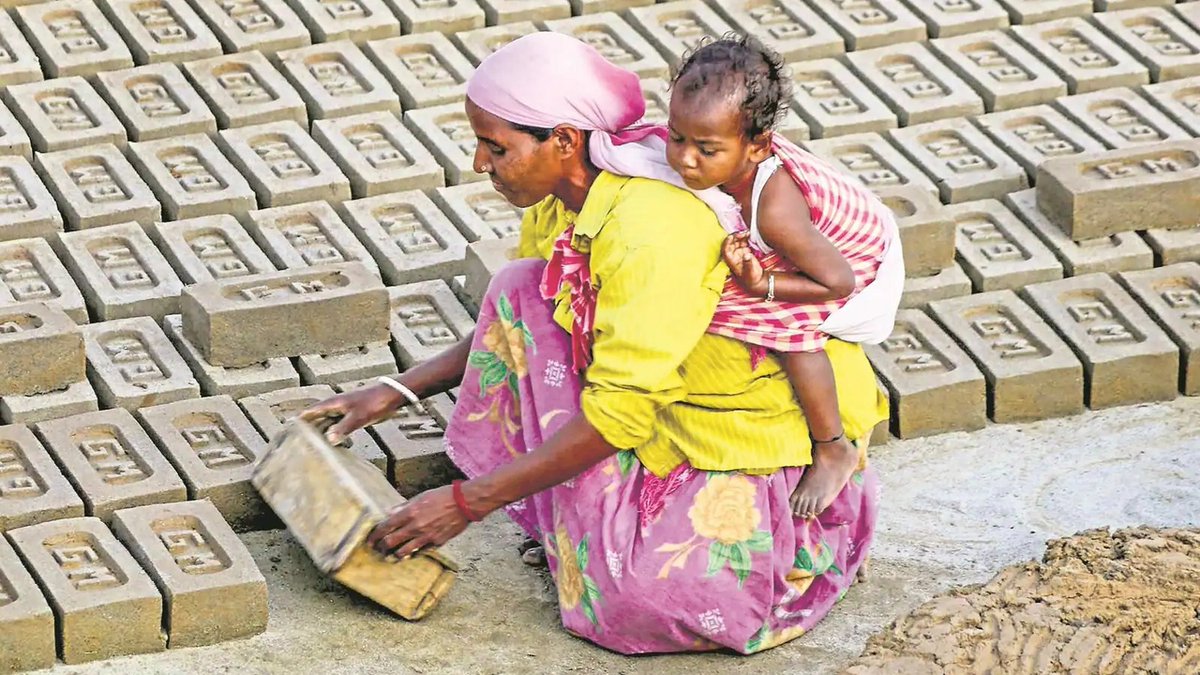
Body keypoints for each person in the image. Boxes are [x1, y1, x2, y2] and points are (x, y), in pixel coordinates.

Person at [301, 31, 887, 655]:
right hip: (653, 391)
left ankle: (811, 533)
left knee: (641, 605)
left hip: (739, 419)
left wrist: (467, 503)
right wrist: (394, 391)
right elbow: (520, 319)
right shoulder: (567, 197)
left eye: (495, 147)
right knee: (521, 287)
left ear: (563, 140)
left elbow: (622, 415)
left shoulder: (649, 234)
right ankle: (588, 504)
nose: (479, 164)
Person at [661, 35, 902, 522]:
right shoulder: (731, 157)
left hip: (859, 270)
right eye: (676, 137)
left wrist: (762, 287)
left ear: (758, 147)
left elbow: (837, 282)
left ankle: (832, 446)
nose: (685, 159)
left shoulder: (775, 213)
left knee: (787, 333)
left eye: (705, 149)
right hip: (821, 244)